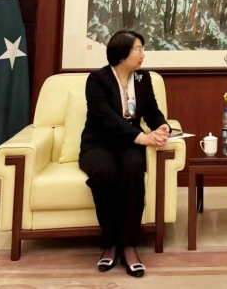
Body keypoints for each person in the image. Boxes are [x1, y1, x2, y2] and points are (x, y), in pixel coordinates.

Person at [79, 29, 170, 278]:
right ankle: (110, 243)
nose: (143, 55)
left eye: (141, 49)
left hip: (129, 145)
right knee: (104, 172)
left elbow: (152, 111)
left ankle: (129, 245)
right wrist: (142, 137)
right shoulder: (97, 80)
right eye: (138, 49)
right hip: (98, 144)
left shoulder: (143, 78)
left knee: (133, 169)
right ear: (121, 53)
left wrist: (162, 127)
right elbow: (104, 117)